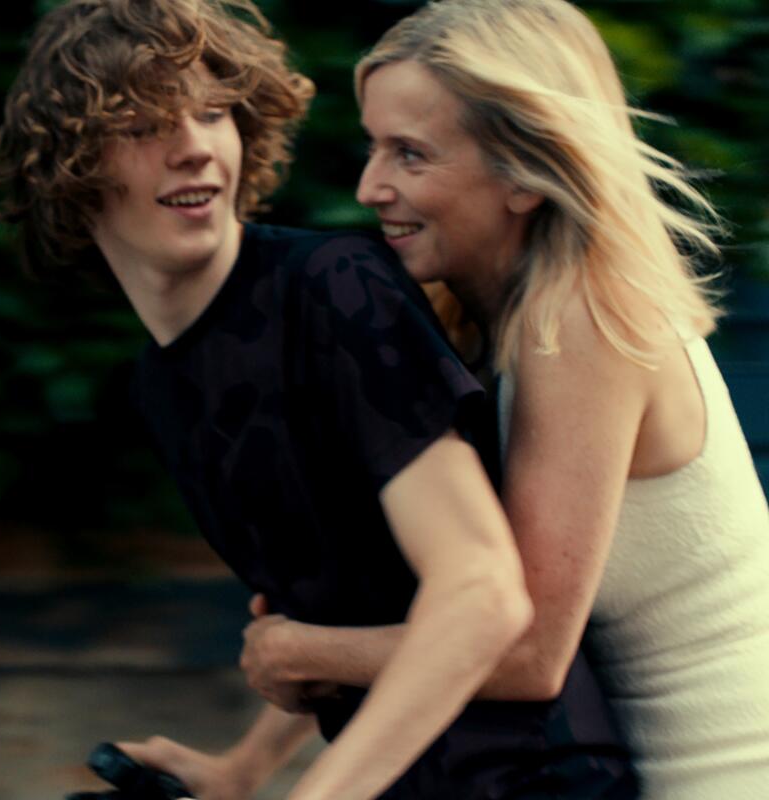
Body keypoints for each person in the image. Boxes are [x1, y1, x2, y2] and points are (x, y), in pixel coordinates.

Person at [0, 1, 636, 797]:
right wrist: (244, 769)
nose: (194, 147)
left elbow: (480, 593)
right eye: (143, 124)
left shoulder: (334, 287)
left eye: (214, 113)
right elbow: (349, 606)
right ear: (70, 165)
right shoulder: (161, 384)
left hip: (533, 781)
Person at [237, 0, 769, 797]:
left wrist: (301, 650)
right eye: (373, 147)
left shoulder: (582, 321)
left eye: (411, 155)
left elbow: (524, 656)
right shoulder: (477, 318)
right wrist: (240, 770)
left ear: (526, 174)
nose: (370, 187)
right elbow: (431, 600)